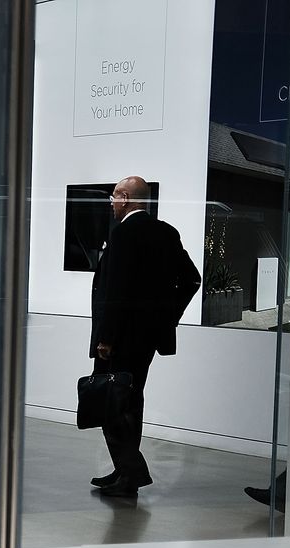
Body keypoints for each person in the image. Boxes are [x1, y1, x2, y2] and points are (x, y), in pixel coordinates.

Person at [89, 176, 201, 497]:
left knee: (110, 403)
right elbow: (191, 280)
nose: (111, 203)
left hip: (119, 339)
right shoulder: (167, 232)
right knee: (130, 400)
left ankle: (132, 472)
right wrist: (166, 317)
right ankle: (125, 471)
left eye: (113, 197)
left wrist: (106, 338)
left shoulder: (123, 233)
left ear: (125, 198)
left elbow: (118, 292)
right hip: (148, 339)